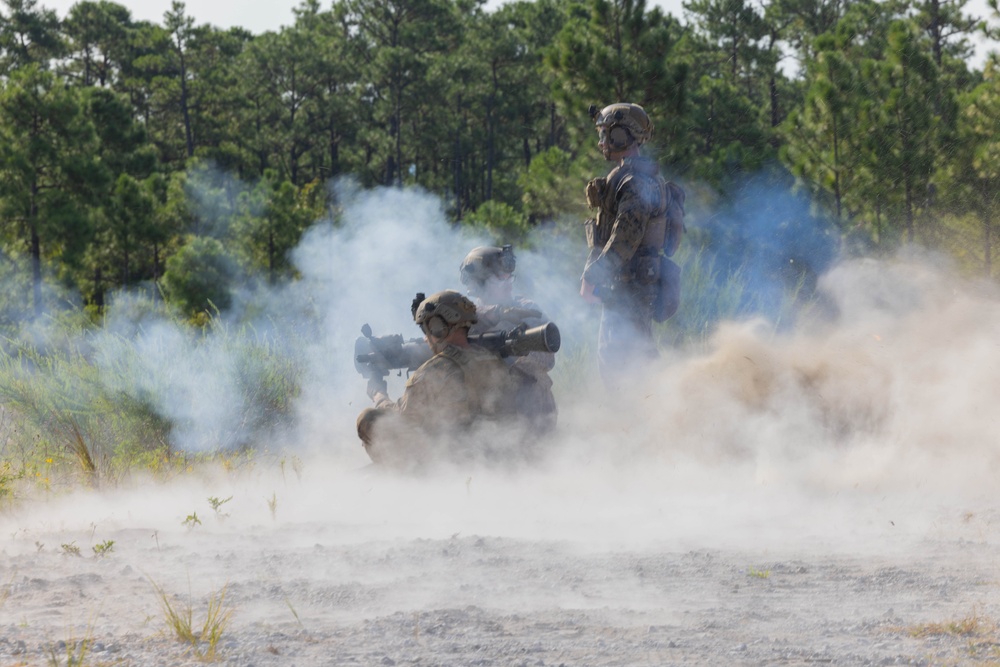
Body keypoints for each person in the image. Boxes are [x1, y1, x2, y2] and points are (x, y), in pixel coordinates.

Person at [580, 102, 685, 390]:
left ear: (623, 136)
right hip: (630, 283)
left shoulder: (634, 182)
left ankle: (650, 419)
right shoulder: (633, 177)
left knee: (622, 361)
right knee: (631, 356)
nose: (602, 142)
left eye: (607, 134)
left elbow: (625, 238)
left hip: (630, 285)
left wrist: (593, 276)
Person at [356, 290, 520, 470]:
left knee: (368, 419)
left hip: (449, 460)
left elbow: (402, 420)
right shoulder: (493, 360)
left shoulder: (434, 371)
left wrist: (379, 396)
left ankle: (396, 477)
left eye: (426, 329)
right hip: (495, 452)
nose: (425, 338)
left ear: (438, 327)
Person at [460, 245, 557, 435]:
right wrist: (493, 314)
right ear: (479, 283)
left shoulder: (525, 309)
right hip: (487, 417)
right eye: (499, 278)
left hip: (530, 415)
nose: (508, 283)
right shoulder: (465, 316)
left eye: (509, 277)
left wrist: (511, 351)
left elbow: (548, 359)